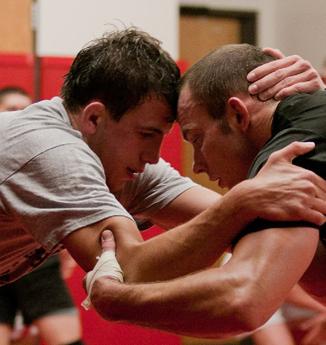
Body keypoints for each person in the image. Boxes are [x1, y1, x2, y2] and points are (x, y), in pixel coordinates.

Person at [0, 28, 325, 338]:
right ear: (94, 118)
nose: (154, 157)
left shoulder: (119, 158)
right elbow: (128, 269)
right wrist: (240, 201)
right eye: (146, 135)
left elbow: (249, 226)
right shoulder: (52, 150)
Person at [90, 41, 326, 339]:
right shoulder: (314, 122)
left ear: (238, 115)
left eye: (197, 139)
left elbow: (242, 301)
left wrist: (116, 302)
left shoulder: (290, 154)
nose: (198, 165)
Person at [0, 87, 84, 345]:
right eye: (12, 109)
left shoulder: (46, 154)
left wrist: (67, 248)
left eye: (25, 110)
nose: (19, 116)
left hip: (36, 259)